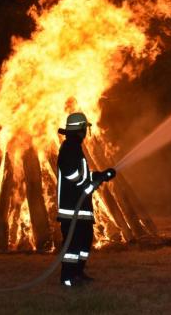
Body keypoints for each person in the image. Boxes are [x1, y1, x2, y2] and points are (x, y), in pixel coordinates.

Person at [56, 112, 115, 287]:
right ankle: (67, 278)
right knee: (72, 247)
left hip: (81, 208)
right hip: (72, 208)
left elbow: (81, 173)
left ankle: (78, 273)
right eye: (85, 129)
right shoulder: (69, 147)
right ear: (81, 129)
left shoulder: (75, 147)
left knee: (84, 242)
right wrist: (88, 184)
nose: (85, 132)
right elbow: (71, 173)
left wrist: (98, 175)